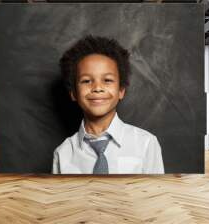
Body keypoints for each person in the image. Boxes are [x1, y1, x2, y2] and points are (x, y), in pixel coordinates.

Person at [52, 35, 164, 174]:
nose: (98, 88)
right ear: (73, 93)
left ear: (121, 90)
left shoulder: (146, 144)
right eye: (86, 81)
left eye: (107, 80)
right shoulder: (63, 153)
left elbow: (157, 195)